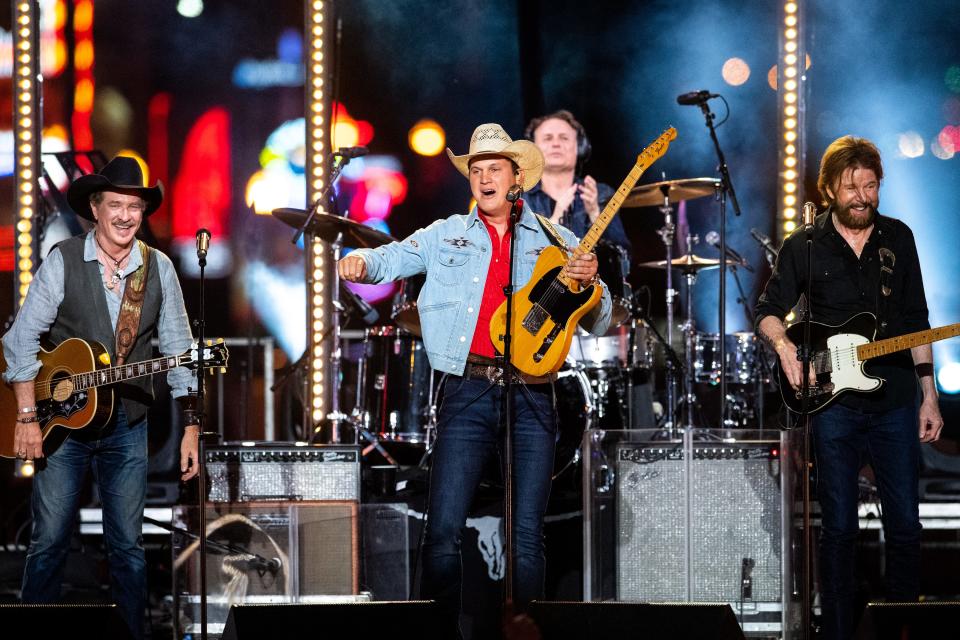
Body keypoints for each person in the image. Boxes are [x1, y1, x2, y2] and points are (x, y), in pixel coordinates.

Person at [339, 123, 612, 637]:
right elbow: (392, 256)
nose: (484, 178)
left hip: (533, 393)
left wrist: (592, 281)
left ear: (517, 180)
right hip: (467, 388)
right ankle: (438, 632)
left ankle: (525, 629)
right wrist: (360, 262)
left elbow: (600, 319)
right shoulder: (446, 233)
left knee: (527, 533)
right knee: (442, 530)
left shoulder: (557, 239)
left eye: (495, 169)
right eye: (477, 170)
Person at [3, 156, 200, 640]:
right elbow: (19, 341)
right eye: (116, 204)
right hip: (61, 425)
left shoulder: (161, 269)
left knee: (128, 548)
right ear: (95, 207)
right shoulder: (64, 260)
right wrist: (28, 415)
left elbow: (179, 350)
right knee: (48, 543)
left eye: (134, 206)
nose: (126, 216)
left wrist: (191, 425)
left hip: (127, 426)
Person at [755, 136, 943, 639]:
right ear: (831, 189)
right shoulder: (806, 246)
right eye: (851, 186)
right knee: (837, 529)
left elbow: (916, 321)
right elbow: (768, 310)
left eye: (871, 185)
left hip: (896, 398)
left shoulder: (898, 240)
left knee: (904, 525)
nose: (862, 196)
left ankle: (903, 627)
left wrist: (929, 393)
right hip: (832, 403)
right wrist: (785, 347)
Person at [523, 109, 631, 253]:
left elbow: (623, 258)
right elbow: (517, 260)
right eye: (548, 138)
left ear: (580, 148)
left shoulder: (602, 194)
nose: (556, 144)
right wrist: (554, 222)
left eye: (564, 138)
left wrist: (595, 215)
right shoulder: (520, 198)